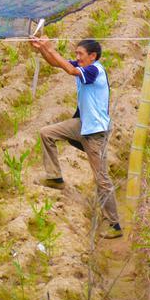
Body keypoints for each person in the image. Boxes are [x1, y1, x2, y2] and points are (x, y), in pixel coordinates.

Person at [29, 37, 122, 239]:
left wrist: (50, 47)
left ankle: (114, 224)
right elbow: (58, 64)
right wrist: (42, 50)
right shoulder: (84, 66)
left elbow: (70, 70)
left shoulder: (94, 70)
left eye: (80, 54)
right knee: (47, 133)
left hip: (95, 131)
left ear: (92, 56)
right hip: (82, 124)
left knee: (101, 178)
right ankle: (55, 178)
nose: (77, 57)